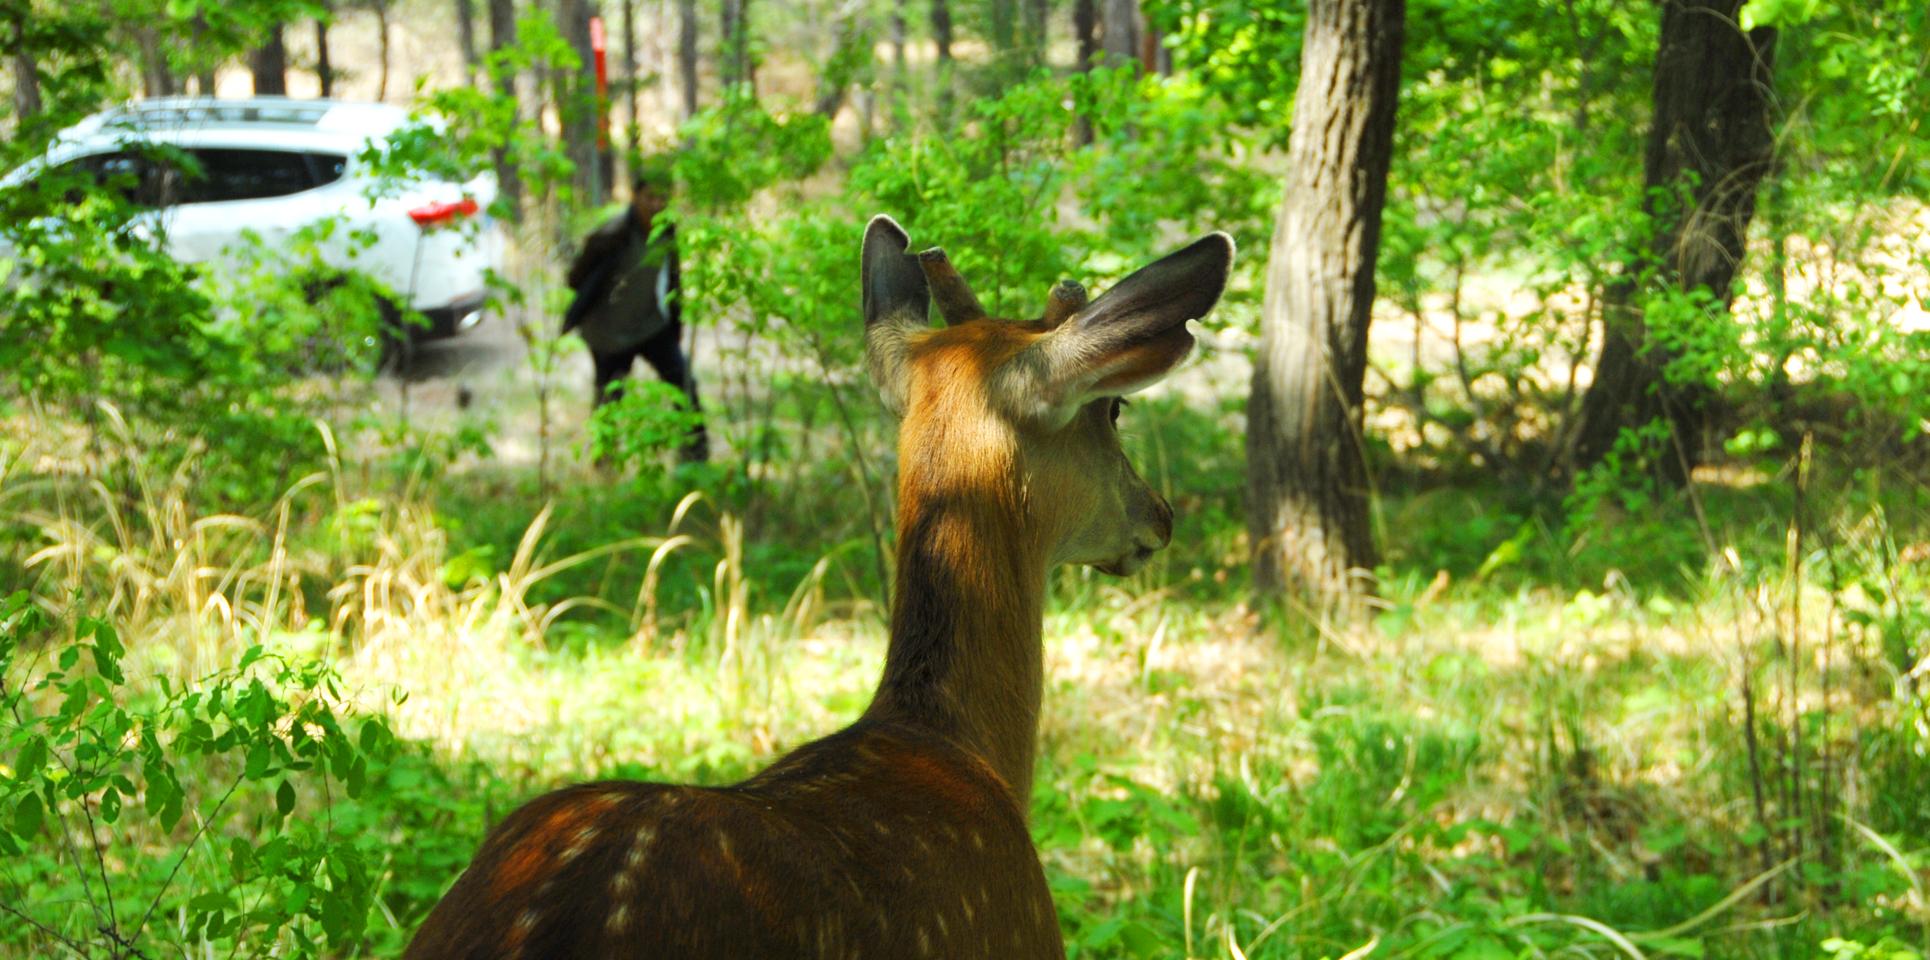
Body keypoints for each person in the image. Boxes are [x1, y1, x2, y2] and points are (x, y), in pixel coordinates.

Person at [562, 159, 710, 462]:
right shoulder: (612, 233)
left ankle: (695, 459)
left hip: (649, 326)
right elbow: (575, 278)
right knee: (609, 400)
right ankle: (604, 466)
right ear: (635, 196)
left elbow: (674, 279)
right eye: (649, 196)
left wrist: (675, 322)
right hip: (608, 334)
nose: (656, 204)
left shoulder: (667, 231)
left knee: (684, 385)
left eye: (662, 197)